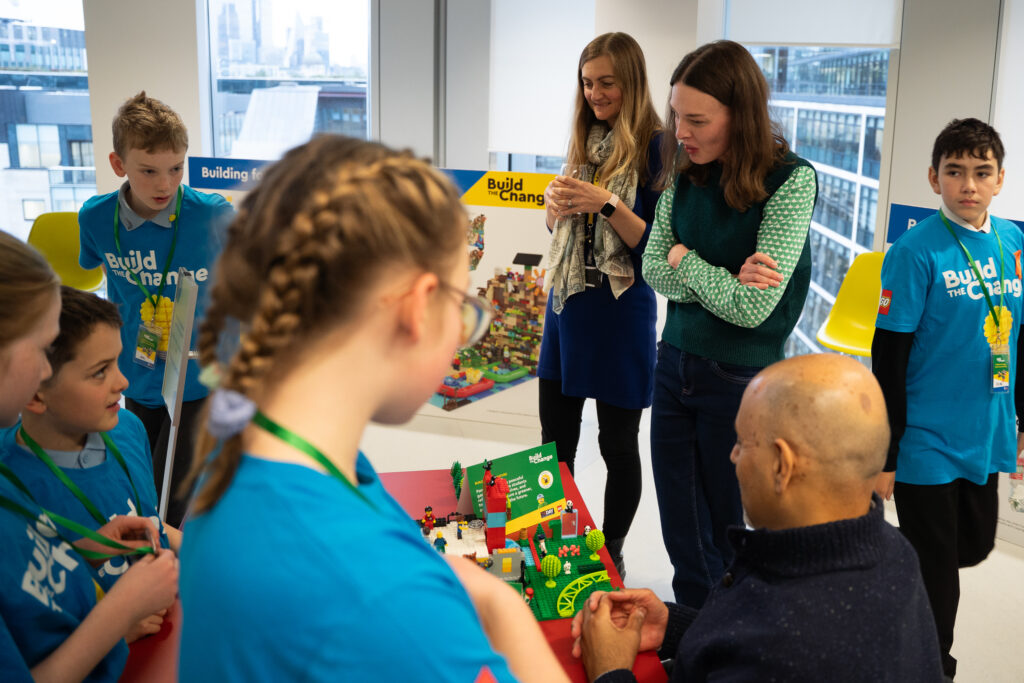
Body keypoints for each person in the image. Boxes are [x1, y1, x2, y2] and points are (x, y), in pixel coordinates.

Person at [177, 136, 568, 683]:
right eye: (463, 309)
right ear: (418, 307)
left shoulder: (235, 452)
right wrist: (503, 606)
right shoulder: (385, 600)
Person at [570, 354, 943, 683]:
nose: (733, 456)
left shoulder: (785, 648)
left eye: (742, 443)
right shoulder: (896, 552)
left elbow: (764, 647)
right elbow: (747, 638)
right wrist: (676, 626)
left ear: (782, 465)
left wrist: (609, 670)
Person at [642, 40, 817, 608]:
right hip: (674, 363)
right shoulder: (684, 168)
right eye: (676, 115)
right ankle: (693, 637)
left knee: (729, 531)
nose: (681, 132)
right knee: (682, 530)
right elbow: (651, 267)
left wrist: (685, 259)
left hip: (740, 378)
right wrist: (716, 277)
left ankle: (731, 638)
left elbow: (752, 310)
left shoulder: (791, 180)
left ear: (740, 115)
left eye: (697, 120)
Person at [872, 118, 1022, 679]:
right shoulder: (915, 251)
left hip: (985, 427)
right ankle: (934, 665)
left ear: (1000, 179)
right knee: (940, 577)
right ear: (934, 179)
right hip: (925, 437)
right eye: (955, 172)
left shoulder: (1013, 242)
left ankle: (890, 576)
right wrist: (886, 453)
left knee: (973, 546)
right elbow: (888, 357)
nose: (969, 185)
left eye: (982, 172)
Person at [0, 230, 178, 682]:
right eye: (39, 351)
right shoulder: (15, 476)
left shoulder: (128, 431)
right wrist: (118, 617)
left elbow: (27, 580)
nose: (44, 369)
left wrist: (82, 551)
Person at [78, 92, 235, 527]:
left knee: (171, 501)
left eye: (176, 168)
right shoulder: (95, 218)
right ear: (118, 164)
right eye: (149, 171)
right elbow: (99, 276)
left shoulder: (212, 216)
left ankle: (167, 560)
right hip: (136, 372)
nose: (165, 185)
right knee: (137, 484)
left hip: (199, 378)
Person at [538, 32, 663, 576]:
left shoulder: (659, 148)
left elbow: (655, 246)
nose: (595, 94)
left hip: (621, 311)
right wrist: (553, 208)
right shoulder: (583, 138)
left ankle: (612, 552)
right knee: (554, 446)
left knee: (617, 444)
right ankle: (557, 543)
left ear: (631, 82)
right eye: (588, 83)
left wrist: (606, 202)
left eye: (607, 83)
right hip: (568, 307)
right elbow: (562, 231)